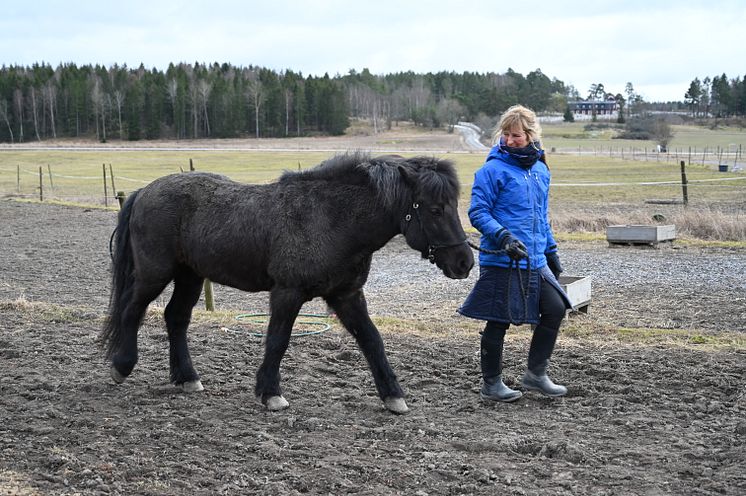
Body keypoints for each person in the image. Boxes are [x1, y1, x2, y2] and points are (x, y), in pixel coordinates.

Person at [458, 104, 572, 402]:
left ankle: (536, 375)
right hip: (503, 257)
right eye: (506, 135)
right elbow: (478, 212)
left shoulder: (540, 170)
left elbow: (541, 216)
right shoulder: (491, 170)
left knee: (555, 308)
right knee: (499, 320)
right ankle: (491, 384)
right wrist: (503, 236)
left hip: (534, 257)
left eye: (516, 135)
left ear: (531, 135)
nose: (510, 140)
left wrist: (551, 250)